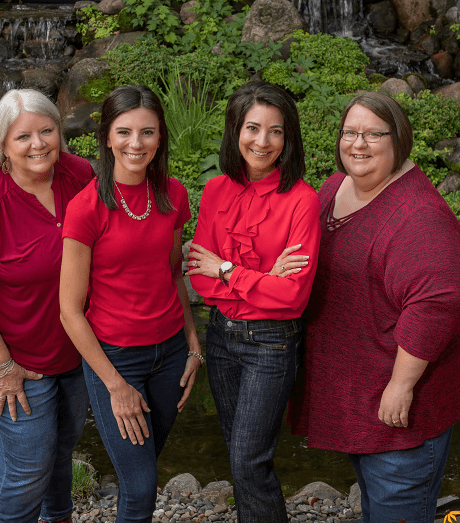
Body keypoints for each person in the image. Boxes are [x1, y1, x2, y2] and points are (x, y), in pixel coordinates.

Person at [288, 91, 460, 523]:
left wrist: (401, 386)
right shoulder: (336, 187)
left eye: (374, 134)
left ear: (399, 141)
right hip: (359, 390)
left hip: (402, 407)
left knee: (397, 506)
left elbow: (439, 303)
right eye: (350, 132)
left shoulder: (419, 215)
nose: (358, 144)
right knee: (375, 504)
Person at [0, 89, 94, 523]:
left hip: (73, 346)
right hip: (12, 356)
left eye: (46, 131)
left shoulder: (80, 174)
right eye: (23, 137)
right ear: (2, 146)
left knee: (62, 449)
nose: (38, 144)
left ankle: (59, 518)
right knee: (29, 463)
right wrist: (2, 367)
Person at [59, 84, 203, 523]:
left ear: (160, 138)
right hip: (117, 360)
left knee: (139, 472)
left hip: (171, 354)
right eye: (124, 132)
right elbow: (69, 310)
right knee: (141, 488)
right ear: (106, 137)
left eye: (147, 132)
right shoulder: (86, 208)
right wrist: (116, 386)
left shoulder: (174, 195)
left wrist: (194, 344)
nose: (135, 144)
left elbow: (174, 273)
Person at [187, 81, 321, 523]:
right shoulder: (215, 191)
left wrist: (227, 269)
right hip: (221, 334)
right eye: (252, 128)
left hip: (271, 342)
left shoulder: (302, 200)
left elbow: (293, 295)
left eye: (276, 131)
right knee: (239, 453)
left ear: (289, 138)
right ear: (235, 130)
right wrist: (263, 279)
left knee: (250, 459)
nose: (262, 142)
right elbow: (199, 280)